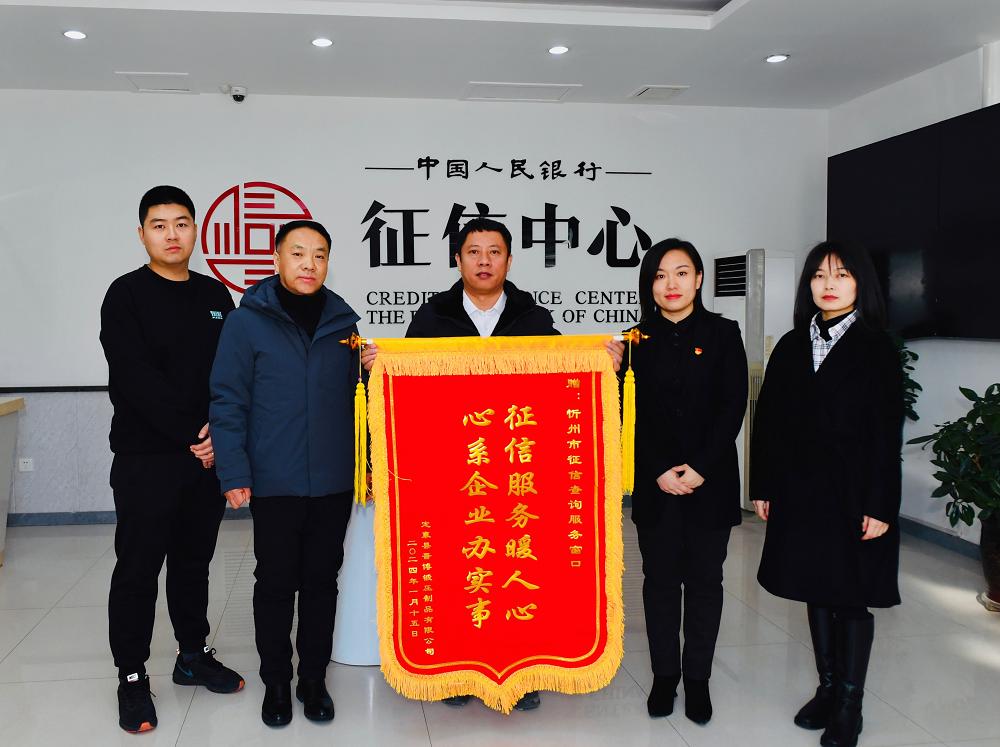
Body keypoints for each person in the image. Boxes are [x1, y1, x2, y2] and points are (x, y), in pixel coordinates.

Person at [362, 217, 624, 712]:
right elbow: (404, 395)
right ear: (457, 259)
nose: (484, 261)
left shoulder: (533, 318)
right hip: (453, 472)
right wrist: (380, 369)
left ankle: (523, 672)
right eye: (474, 251)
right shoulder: (431, 319)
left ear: (509, 260)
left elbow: (563, 379)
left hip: (518, 473)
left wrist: (604, 363)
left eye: (494, 251)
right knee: (459, 567)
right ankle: (457, 671)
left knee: (519, 569)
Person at [100, 185, 244, 735]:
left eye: (182, 223)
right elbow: (134, 377)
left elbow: (231, 371)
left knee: (193, 562)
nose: (172, 234)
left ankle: (192, 654)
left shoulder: (214, 294)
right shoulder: (125, 295)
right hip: (147, 458)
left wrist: (219, 435)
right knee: (138, 568)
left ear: (195, 230)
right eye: (159, 225)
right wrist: (194, 433)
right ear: (142, 234)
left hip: (204, 459)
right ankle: (132, 675)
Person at [751, 240, 903, 747]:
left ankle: (849, 706)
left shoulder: (877, 348)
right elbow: (768, 422)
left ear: (861, 283)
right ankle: (828, 688)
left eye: (841, 275)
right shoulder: (793, 344)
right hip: (800, 491)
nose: (828, 284)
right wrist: (763, 485)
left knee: (851, 597)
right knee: (815, 588)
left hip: (854, 495)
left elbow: (886, 434)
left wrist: (880, 505)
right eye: (819, 275)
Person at [210, 219, 361, 728]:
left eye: (319, 255)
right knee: (275, 582)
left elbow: (358, 402)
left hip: (334, 480)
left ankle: (312, 680)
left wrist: (374, 368)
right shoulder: (246, 322)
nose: (309, 264)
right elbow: (227, 400)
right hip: (274, 479)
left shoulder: (344, 325)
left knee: (321, 582)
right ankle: (276, 680)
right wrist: (233, 472)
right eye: (298, 253)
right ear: (277, 259)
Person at [624, 238, 747, 725]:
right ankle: (664, 677)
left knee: (705, 583)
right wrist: (658, 469)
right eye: (659, 275)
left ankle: (697, 679)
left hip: (709, 482)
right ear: (649, 285)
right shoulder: (633, 341)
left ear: (698, 279)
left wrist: (699, 466)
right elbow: (628, 415)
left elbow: (732, 406)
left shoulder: (723, 333)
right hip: (655, 485)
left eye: (680, 273)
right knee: (658, 583)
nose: (670, 284)